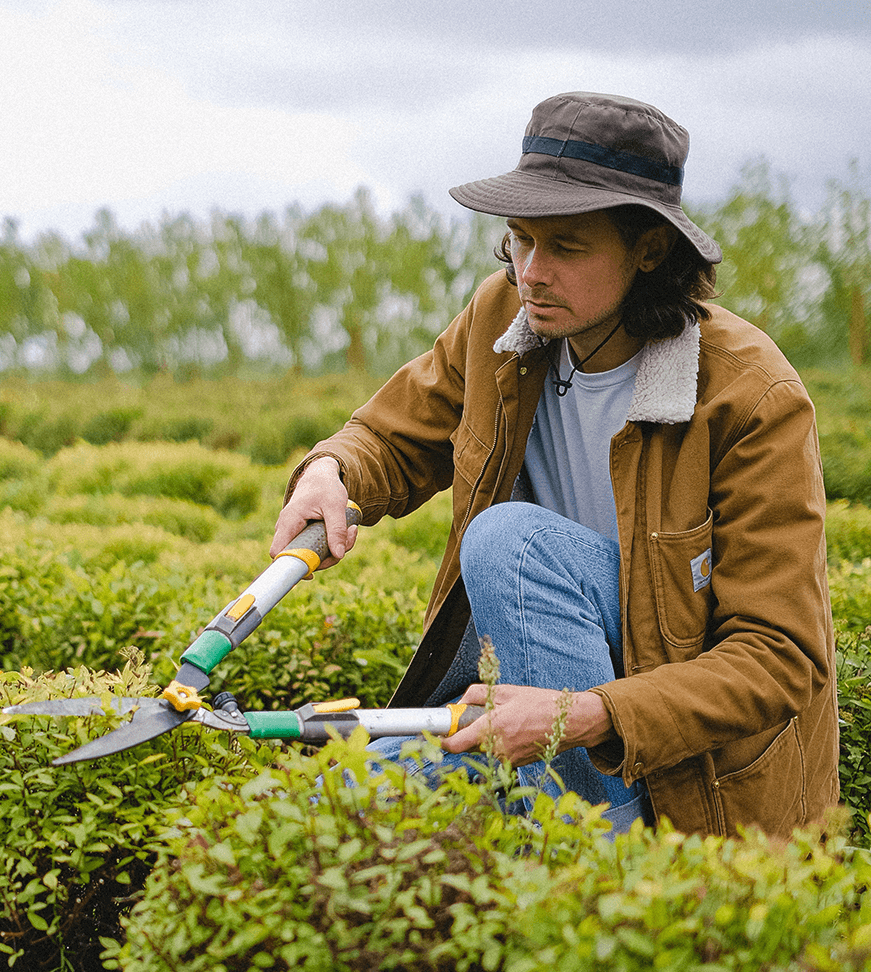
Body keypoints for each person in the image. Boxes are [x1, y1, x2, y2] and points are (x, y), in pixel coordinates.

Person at [270, 91, 840, 839]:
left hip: (678, 769)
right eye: (518, 240)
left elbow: (777, 657)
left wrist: (584, 714)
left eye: (566, 247)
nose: (531, 273)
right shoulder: (500, 317)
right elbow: (394, 434)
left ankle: (605, 851)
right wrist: (332, 472)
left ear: (649, 249)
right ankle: (561, 819)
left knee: (511, 541)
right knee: (334, 803)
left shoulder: (749, 395)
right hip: (531, 705)